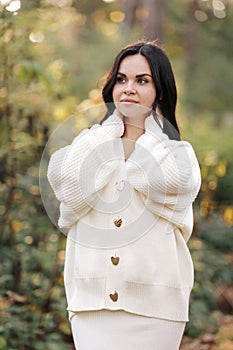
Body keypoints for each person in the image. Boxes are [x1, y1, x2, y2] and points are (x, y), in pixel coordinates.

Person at [47, 40, 201, 350]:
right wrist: (108, 133)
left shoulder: (177, 155)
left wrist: (146, 133)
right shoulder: (87, 145)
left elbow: (168, 180)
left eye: (142, 80)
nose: (128, 88)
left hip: (157, 309)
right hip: (91, 307)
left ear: (160, 89)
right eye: (121, 79)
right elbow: (69, 183)